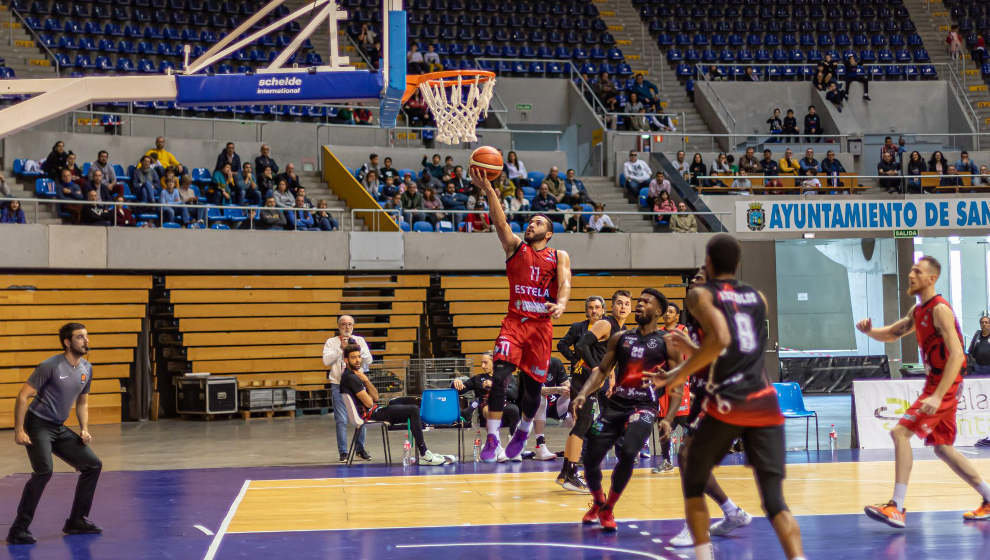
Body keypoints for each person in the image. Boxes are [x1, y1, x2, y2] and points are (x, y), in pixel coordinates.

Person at [654, 235, 805, 560]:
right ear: (737, 264)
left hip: (726, 400)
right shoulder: (757, 297)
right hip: (763, 401)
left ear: (708, 263)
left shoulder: (701, 296)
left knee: (691, 478)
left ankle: (702, 551)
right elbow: (736, 348)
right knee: (775, 501)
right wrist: (690, 357)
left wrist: (676, 372)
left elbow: (721, 340)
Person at [857, 256, 990, 527]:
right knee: (942, 448)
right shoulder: (917, 311)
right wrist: (871, 332)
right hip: (938, 383)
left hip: (946, 382)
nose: (911, 275)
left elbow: (956, 355)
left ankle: (897, 506)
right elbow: (893, 334)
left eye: (917, 271)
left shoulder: (940, 309)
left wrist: (939, 394)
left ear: (932, 279)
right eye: (911, 270)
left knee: (900, 432)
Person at [472, 166, 572, 463]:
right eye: (530, 221)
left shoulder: (559, 256)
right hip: (514, 324)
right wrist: (489, 190)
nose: (531, 224)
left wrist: (562, 304)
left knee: (532, 391)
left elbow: (565, 282)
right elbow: (500, 222)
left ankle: (524, 430)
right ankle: (492, 438)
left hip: (541, 329)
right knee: (501, 376)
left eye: (538, 222)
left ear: (549, 233)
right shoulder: (515, 248)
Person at [659, 267, 755, 547]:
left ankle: (696, 526)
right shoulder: (699, 318)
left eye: (700, 277)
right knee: (687, 460)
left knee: (689, 458)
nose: (694, 280)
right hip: (707, 395)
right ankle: (731, 511)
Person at [574, 288, 682, 532]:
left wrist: (669, 418)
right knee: (590, 457)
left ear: (659, 311)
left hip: (644, 407)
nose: (640, 305)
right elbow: (601, 371)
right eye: (639, 301)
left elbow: (678, 384)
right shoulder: (620, 337)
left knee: (630, 451)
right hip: (615, 405)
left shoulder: (667, 343)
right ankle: (599, 501)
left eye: (647, 302)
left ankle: (609, 507)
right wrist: (582, 393)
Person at [7, 323, 104, 545]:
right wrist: (19, 430)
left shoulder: (86, 369)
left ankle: (77, 521)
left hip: (58, 427)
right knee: (44, 471)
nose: (86, 341)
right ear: (67, 342)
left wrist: (84, 429)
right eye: (80, 337)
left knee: (92, 465)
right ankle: (18, 530)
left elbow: (82, 402)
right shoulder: (50, 365)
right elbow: (23, 396)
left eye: (87, 337)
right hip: (37, 424)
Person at [560, 289, 633, 490]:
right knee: (583, 423)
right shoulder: (605, 324)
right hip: (584, 378)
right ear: (612, 305)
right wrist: (594, 367)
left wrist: (611, 379)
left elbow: (609, 357)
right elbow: (582, 345)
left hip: (595, 380)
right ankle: (572, 474)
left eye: (627, 304)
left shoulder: (622, 328)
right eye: (619, 303)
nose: (623, 307)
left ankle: (566, 471)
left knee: (582, 424)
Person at [340, 344, 448, 465]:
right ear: (346, 360)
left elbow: (375, 397)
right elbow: (370, 402)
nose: (358, 360)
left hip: (374, 410)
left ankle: (423, 447)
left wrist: (366, 380)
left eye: (359, 357)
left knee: (410, 402)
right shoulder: (351, 378)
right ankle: (424, 453)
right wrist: (365, 380)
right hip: (373, 414)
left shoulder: (353, 375)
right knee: (413, 410)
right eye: (353, 357)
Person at [323, 315, 373, 463]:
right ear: (339, 326)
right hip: (338, 384)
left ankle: (360, 449)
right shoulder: (331, 342)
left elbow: (369, 360)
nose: (347, 327)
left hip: (357, 385)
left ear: (353, 326)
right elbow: (326, 361)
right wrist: (341, 350)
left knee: (361, 417)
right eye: (344, 324)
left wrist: (355, 348)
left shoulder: (360, 340)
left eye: (350, 324)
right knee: (341, 419)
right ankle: (343, 452)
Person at [452, 352, 520, 445]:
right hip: (485, 410)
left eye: (485, 362)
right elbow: (460, 390)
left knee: (514, 409)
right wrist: (456, 382)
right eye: (481, 363)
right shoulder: (478, 378)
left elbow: (514, 395)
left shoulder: (506, 376)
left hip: (504, 408)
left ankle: (514, 443)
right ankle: (495, 444)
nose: (483, 366)